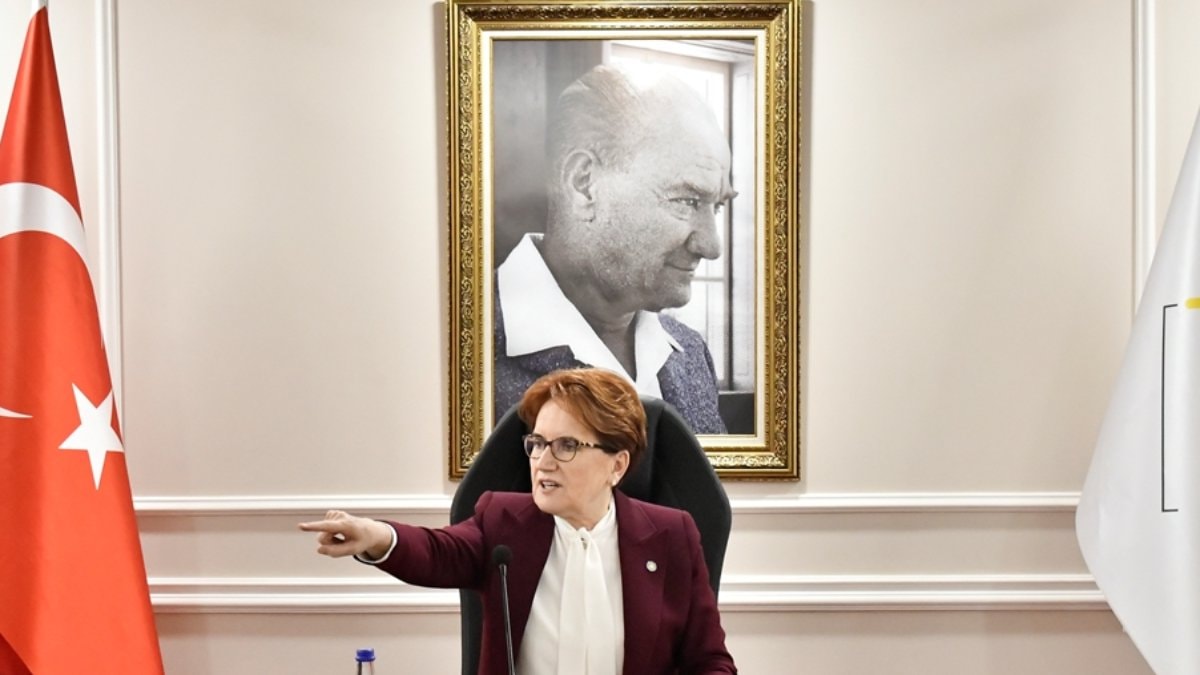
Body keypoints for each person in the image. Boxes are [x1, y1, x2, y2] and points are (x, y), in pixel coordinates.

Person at [300, 368, 737, 674]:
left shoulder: (671, 535)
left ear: (617, 465)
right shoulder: (505, 523)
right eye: (537, 443)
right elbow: (438, 552)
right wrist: (375, 535)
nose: (543, 461)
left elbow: (710, 661)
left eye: (566, 446)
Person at [494, 64, 735, 434]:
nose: (712, 246)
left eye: (716, 206)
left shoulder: (691, 353)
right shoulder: (461, 345)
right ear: (584, 184)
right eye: (687, 201)